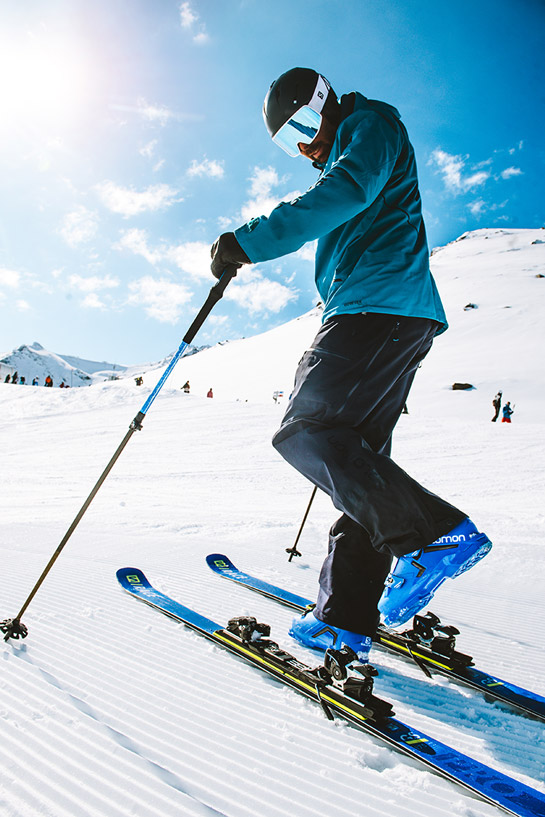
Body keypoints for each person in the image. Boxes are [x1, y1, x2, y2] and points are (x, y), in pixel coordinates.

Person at [210, 67, 491, 662]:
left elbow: (348, 191)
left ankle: (435, 536)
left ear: (327, 103)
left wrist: (248, 242)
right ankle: (348, 617)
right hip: (389, 312)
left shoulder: (371, 125)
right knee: (361, 465)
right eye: (292, 141)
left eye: (307, 126)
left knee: (306, 431)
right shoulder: (354, 138)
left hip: (375, 309)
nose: (307, 147)